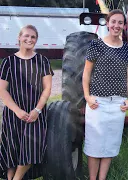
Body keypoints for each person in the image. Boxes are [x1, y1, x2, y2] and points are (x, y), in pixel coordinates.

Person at [82, 9, 128, 180]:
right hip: (98, 102)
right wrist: (88, 97)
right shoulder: (96, 45)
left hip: (118, 104)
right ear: (108, 23)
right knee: (94, 146)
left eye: (120, 22)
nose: (116, 26)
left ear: (124, 26)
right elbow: (86, 73)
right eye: (113, 22)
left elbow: (127, 76)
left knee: (110, 146)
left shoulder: (126, 49)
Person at [0, 25, 54, 180]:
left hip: (35, 115)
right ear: (19, 38)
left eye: (33, 37)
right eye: (26, 36)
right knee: (11, 151)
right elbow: (2, 90)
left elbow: (47, 89)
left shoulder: (42, 61)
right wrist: (17, 111)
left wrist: (37, 110)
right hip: (13, 114)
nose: (29, 39)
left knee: (30, 151)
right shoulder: (8, 62)